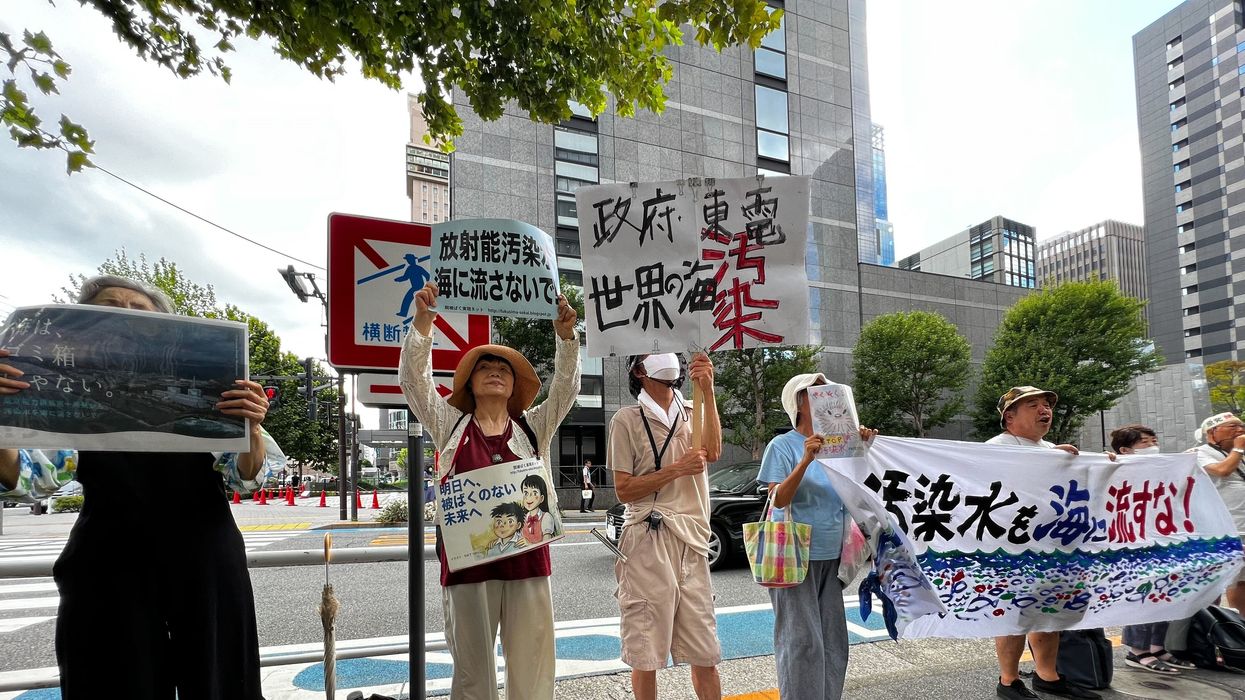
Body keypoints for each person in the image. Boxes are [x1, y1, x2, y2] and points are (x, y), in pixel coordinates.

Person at [0, 275, 285, 700]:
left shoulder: (210, 391)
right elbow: (27, 481)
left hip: (206, 558)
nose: (124, 316)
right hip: (108, 562)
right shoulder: (67, 396)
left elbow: (248, 478)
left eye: (139, 311)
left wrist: (252, 428)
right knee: (113, 681)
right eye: (110, 307)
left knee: (220, 681)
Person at [398, 281, 579, 700]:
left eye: (504, 369)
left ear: (514, 386)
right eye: (484, 367)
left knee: (534, 672)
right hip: (467, 567)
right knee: (472, 677)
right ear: (469, 382)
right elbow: (413, 382)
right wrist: (423, 324)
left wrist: (566, 338)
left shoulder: (534, 427)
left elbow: (566, 390)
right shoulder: (448, 425)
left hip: (529, 562)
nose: (495, 371)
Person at [609, 351, 722, 700]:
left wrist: (709, 388)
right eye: (653, 351)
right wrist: (675, 469)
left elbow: (714, 452)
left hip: (693, 540)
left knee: (705, 650)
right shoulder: (626, 419)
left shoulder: (695, 409)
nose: (667, 355)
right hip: (648, 536)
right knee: (645, 652)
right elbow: (624, 489)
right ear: (638, 370)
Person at [760, 373, 876, 700]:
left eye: (828, 391)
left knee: (833, 642)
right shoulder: (782, 445)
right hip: (793, 555)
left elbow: (860, 491)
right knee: (801, 641)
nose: (825, 396)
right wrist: (805, 459)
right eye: (815, 392)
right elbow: (778, 499)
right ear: (798, 403)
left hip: (835, 554)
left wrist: (866, 450)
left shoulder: (844, 443)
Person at [987, 386, 1099, 700]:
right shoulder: (997, 447)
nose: (1044, 410)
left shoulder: (1053, 448)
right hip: (1012, 550)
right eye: (1033, 405)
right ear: (1010, 417)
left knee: (1051, 611)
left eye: (1046, 405)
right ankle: (1008, 680)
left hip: (1054, 547)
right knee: (1015, 614)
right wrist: (1051, 459)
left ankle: (1047, 674)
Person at [1110, 425, 1197, 675]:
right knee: (1142, 595)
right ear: (1126, 450)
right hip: (1131, 540)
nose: (1152, 445)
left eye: (1153, 440)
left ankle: (1158, 646)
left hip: (1163, 538)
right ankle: (1138, 651)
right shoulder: (1116, 468)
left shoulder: (1163, 467)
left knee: (1165, 592)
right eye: (1145, 443)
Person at [1191, 412, 1245, 611]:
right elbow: (1222, 470)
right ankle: (1240, 624)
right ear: (1212, 432)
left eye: (1241, 426)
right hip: (1231, 526)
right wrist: (1239, 447)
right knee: (1239, 579)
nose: (1240, 430)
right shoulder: (1199, 452)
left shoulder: (1240, 453)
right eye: (1232, 427)